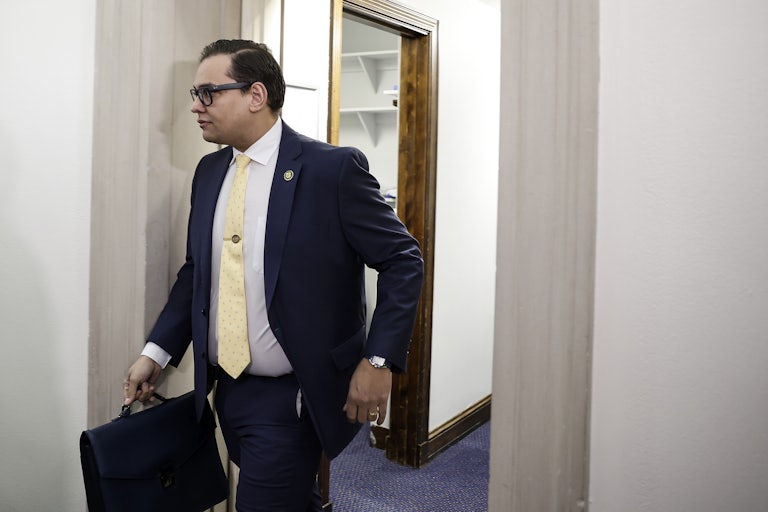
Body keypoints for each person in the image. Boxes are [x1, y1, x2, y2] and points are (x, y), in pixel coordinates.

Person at [122, 39, 423, 511]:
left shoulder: (331, 171)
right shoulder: (209, 172)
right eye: (194, 94)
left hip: (293, 396)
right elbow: (197, 273)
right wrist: (156, 352)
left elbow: (404, 260)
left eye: (208, 93)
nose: (195, 107)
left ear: (255, 95)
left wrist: (378, 361)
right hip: (227, 390)